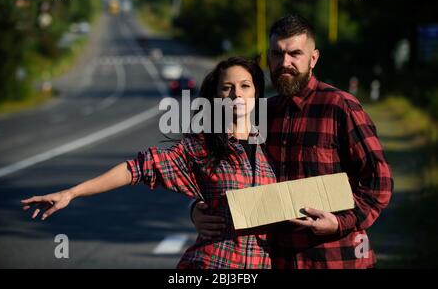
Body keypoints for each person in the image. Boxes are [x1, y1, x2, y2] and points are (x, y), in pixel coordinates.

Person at [21, 56, 279, 269]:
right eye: (227, 88)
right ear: (217, 96)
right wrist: (72, 192)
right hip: (214, 264)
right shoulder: (201, 146)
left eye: (245, 86)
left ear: (256, 92)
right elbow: (135, 169)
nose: (237, 94)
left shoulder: (273, 144)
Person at [191, 14, 394, 269]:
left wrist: (341, 222)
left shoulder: (340, 107)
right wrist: (197, 208)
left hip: (336, 260)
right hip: (278, 260)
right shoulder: (261, 113)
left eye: (294, 54)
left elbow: (380, 181)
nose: (284, 63)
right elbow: (224, 170)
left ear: (313, 58)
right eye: (277, 54)